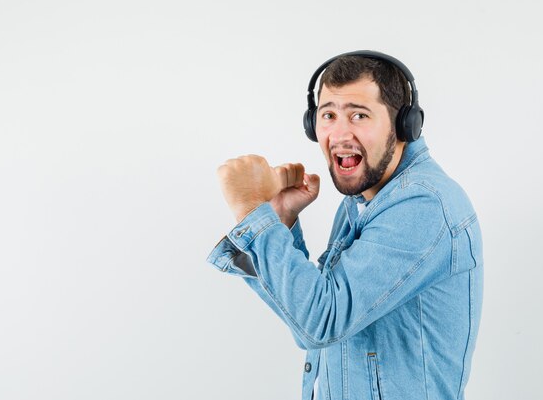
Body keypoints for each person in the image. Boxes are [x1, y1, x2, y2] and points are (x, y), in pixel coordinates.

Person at [207, 50, 483, 400]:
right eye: (328, 115)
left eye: (359, 115)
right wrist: (281, 220)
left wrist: (251, 209)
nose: (339, 133)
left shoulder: (423, 205)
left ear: (404, 125)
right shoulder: (362, 201)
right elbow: (307, 321)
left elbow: (320, 322)